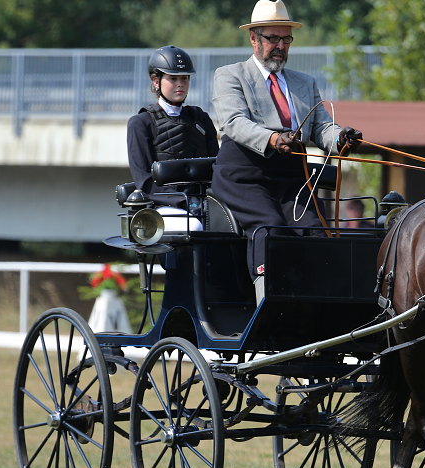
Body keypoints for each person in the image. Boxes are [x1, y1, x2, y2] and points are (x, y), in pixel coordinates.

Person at [210, 0, 362, 278]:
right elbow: (233, 122)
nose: (280, 46)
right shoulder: (230, 75)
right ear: (254, 39)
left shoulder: (305, 82)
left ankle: (317, 300)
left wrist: (341, 139)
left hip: (292, 178)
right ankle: (266, 298)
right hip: (245, 177)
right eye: (273, 38)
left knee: (316, 233)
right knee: (271, 229)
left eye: (287, 39)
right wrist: (272, 139)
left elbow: (321, 126)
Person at [127, 45, 219, 232]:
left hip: (204, 202)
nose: (180, 84)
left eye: (185, 78)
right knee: (194, 227)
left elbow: (218, 168)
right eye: (173, 78)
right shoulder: (141, 123)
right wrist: (182, 201)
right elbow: (145, 181)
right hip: (164, 206)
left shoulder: (201, 119)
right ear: (156, 81)